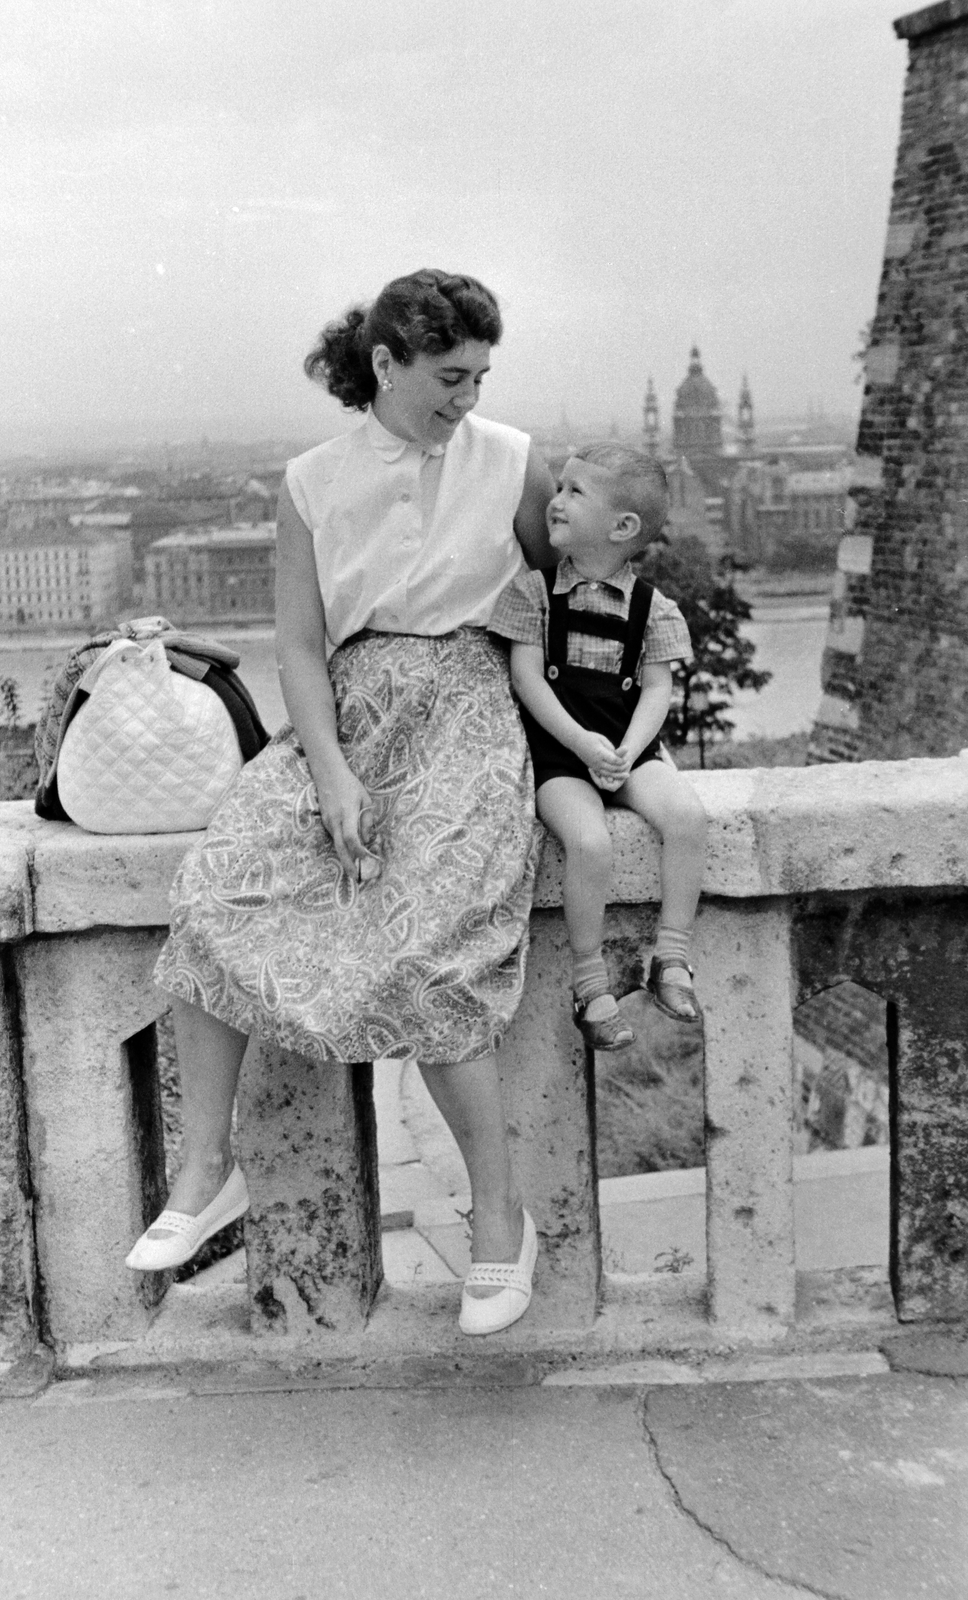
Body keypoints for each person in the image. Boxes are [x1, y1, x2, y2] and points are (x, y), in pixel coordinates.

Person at [126, 269, 556, 1337]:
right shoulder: (311, 481)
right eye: (450, 376)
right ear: (385, 364)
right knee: (215, 887)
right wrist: (328, 773)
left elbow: (583, 590)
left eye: (480, 376)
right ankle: (205, 1169)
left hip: (465, 712)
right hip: (349, 716)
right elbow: (302, 647)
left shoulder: (510, 462)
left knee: (431, 944)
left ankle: (500, 1216)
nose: (468, 396)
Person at [489, 444, 707, 1051]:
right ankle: (590, 983)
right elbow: (527, 679)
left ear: (623, 528)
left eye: (574, 493)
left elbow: (657, 689)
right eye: (558, 487)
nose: (554, 502)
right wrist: (584, 744)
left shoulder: (653, 608)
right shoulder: (534, 595)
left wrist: (627, 749)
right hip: (561, 754)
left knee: (686, 818)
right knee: (589, 841)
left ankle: (673, 957)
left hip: (627, 749)